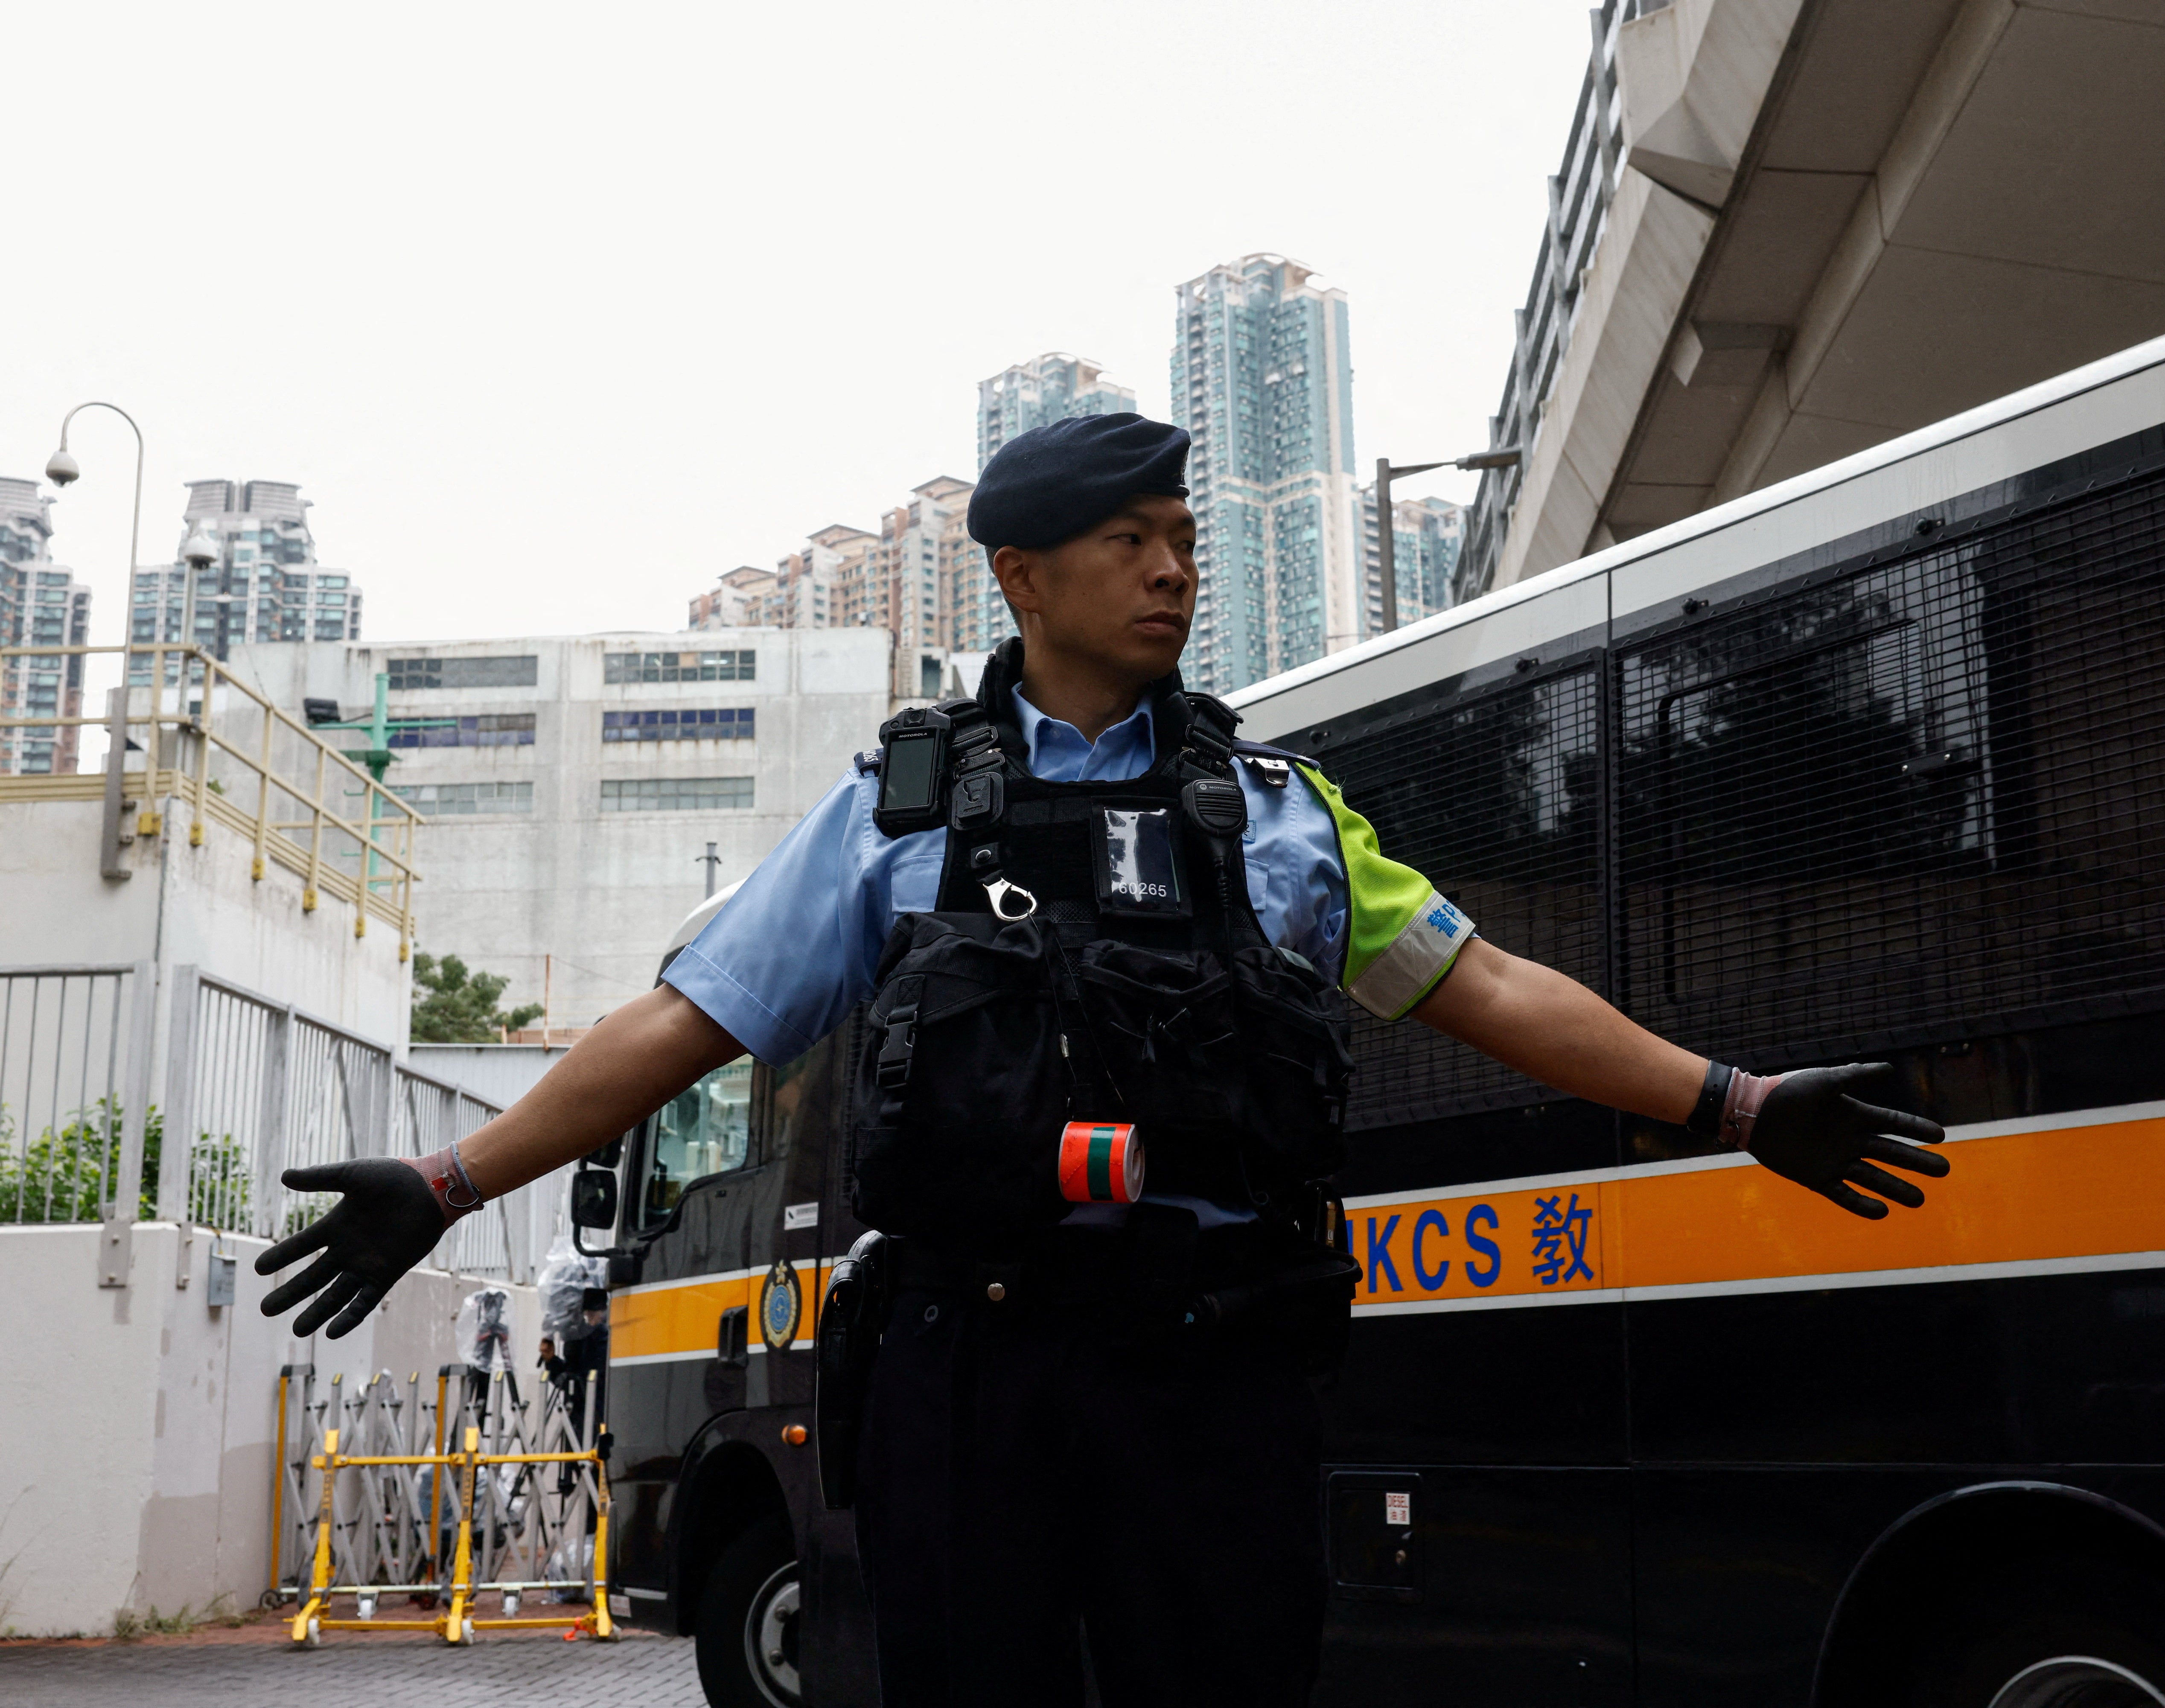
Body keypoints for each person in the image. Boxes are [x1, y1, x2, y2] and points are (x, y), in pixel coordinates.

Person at [257, 414, 1950, 1706]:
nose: (1172, 572)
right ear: (1023, 575)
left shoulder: (1270, 812)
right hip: (968, 1377)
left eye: (1185, 541)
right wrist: (449, 1173)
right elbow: (684, 1018)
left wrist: (1732, 1100)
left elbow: (1482, 977)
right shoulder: (902, 812)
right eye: (1130, 541)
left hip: (1216, 1376)